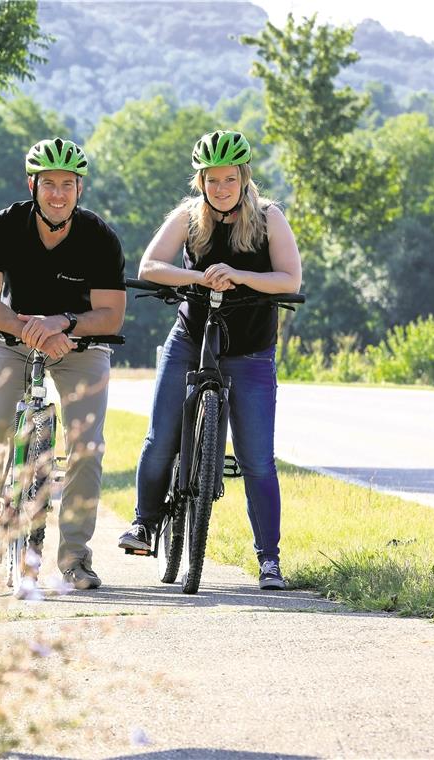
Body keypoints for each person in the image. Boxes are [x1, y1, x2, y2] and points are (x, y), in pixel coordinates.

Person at [117, 130, 302, 590]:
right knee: (161, 436)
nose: (220, 189)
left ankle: (269, 561)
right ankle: (145, 522)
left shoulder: (268, 217)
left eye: (229, 179)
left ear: (244, 178)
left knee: (258, 459)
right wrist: (200, 277)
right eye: (211, 180)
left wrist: (239, 275)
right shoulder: (188, 216)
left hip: (252, 349)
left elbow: (289, 278)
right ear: (200, 181)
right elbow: (149, 267)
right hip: (190, 338)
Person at [0, 137, 126, 590]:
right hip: (12, 335)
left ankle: (75, 558)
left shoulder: (99, 237)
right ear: (31, 185)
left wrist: (64, 324)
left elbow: (111, 314)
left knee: (86, 446)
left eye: (67, 184)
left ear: (80, 189)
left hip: (79, 344)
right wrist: (28, 328)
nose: (58, 194)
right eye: (49, 183)